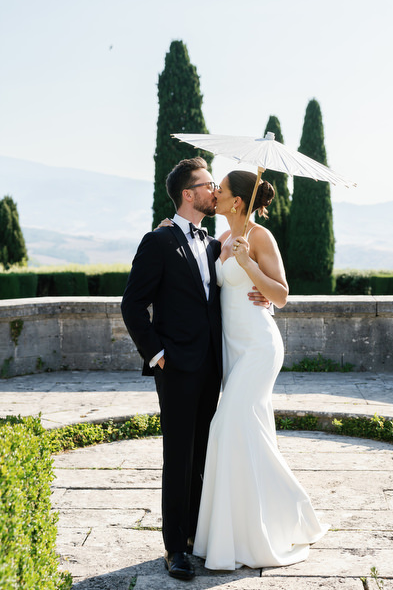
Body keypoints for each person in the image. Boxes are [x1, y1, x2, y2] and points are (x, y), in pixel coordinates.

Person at [121, 158, 268, 581]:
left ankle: (195, 538)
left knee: (206, 452)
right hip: (177, 366)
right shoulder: (159, 241)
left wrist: (260, 293)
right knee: (179, 455)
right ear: (189, 194)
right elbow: (132, 304)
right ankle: (174, 548)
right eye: (207, 185)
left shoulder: (210, 243)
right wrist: (156, 353)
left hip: (213, 366)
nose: (214, 192)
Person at [192, 170, 329, 570]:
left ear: (236, 201)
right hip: (231, 350)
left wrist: (248, 263)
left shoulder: (260, 237)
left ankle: (261, 528)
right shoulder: (217, 240)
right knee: (248, 433)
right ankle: (256, 524)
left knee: (227, 425)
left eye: (222, 190)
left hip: (259, 347)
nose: (214, 193)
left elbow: (281, 295)